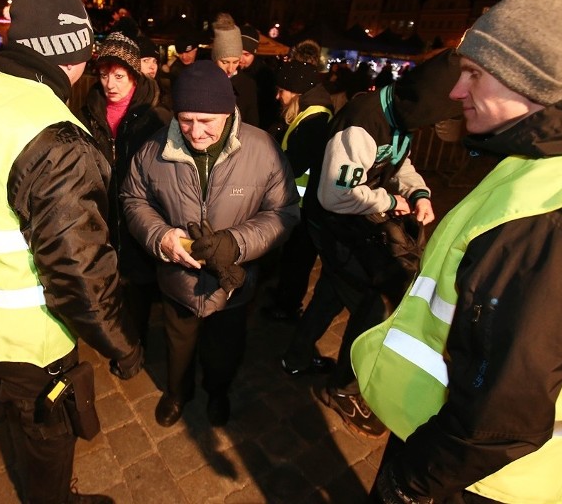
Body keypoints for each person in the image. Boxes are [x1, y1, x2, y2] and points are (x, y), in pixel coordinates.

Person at [351, 0, 562, 503]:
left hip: (473, 479)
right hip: (507, 466)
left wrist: (411, 483)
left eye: (474, 73)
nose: (455, 89)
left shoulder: (558, 215)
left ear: (535, 80)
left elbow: (503, 411)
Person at [0, 0, 143, 504]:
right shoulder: (54, 136)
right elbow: (78, 271)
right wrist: (122, 343)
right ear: (77, 52)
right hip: (24, 331)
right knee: (46, 427)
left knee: (16, 405)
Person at [121, 60, 300, 428]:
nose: (196, 132)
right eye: (186, 120)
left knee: (225, 350)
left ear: (227, 113)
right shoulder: (153, 149)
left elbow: (285, 211)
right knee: (178, 346)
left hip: (233, 287)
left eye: (207, 121)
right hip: (177, 283)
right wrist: (162, 237)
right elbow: (133, 199)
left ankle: (218, 391)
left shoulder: (263, 148)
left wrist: (236, 244)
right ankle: (177, 392)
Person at [305, 48, 462, 438]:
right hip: (334, 221)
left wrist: (420, 192)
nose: (436, 128)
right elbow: (333, 195)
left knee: (333, 290)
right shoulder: (362, 123)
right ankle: (342, 389)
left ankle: (295, 354)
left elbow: (399, 160)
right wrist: (391, 201)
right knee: (375, 302)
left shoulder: (401, 114)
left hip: (354, 220)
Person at [76, 31, 169, 348]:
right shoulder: (87, 116)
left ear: (133, 75)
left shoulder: (155, 119)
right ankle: (114, 337)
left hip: (139, 218)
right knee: (106, 284)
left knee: (139, 286)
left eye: (118, 75)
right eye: (103, 75)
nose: (110, 84)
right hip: (101, 217)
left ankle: (136, 341)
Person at [262, 60, 336, 377]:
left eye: (282, 89)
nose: (278, 95)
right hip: (301, 206)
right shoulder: (308, 113)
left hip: (309, 210)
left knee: (298, 260)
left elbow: (293, 164)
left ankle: (288, 306)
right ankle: (285, 300)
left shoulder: (315, 120)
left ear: (297, 91)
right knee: (293, 258)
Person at [211, 12, 260, 126]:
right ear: (214, 58)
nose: (230, 68)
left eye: (235, 62)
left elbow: (253, 123)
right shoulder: (202, 80)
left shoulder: (248, 85)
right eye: (225, 62)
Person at [240, 23, 279, 133]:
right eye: (239, 53)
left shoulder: (265, 75)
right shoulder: (232, 70)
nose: (241, 58)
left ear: (254, 53)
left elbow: (269, 109)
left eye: (247, 54)